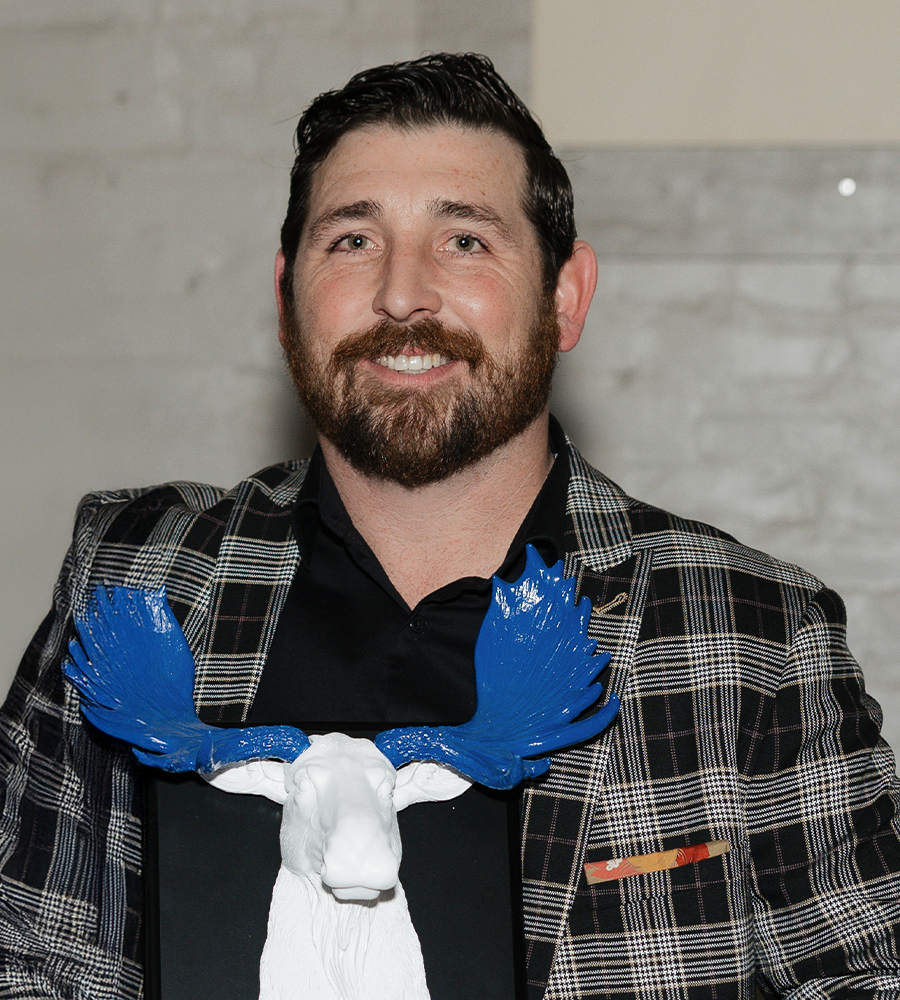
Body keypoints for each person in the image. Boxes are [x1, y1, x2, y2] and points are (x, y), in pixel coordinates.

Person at [2, 52, 899, 1000]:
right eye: (352, 240)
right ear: (284, 296)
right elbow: (24, 950)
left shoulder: (749, 632)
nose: (402, 294)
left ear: (565, 296)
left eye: (465, 240)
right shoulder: (139, 576)